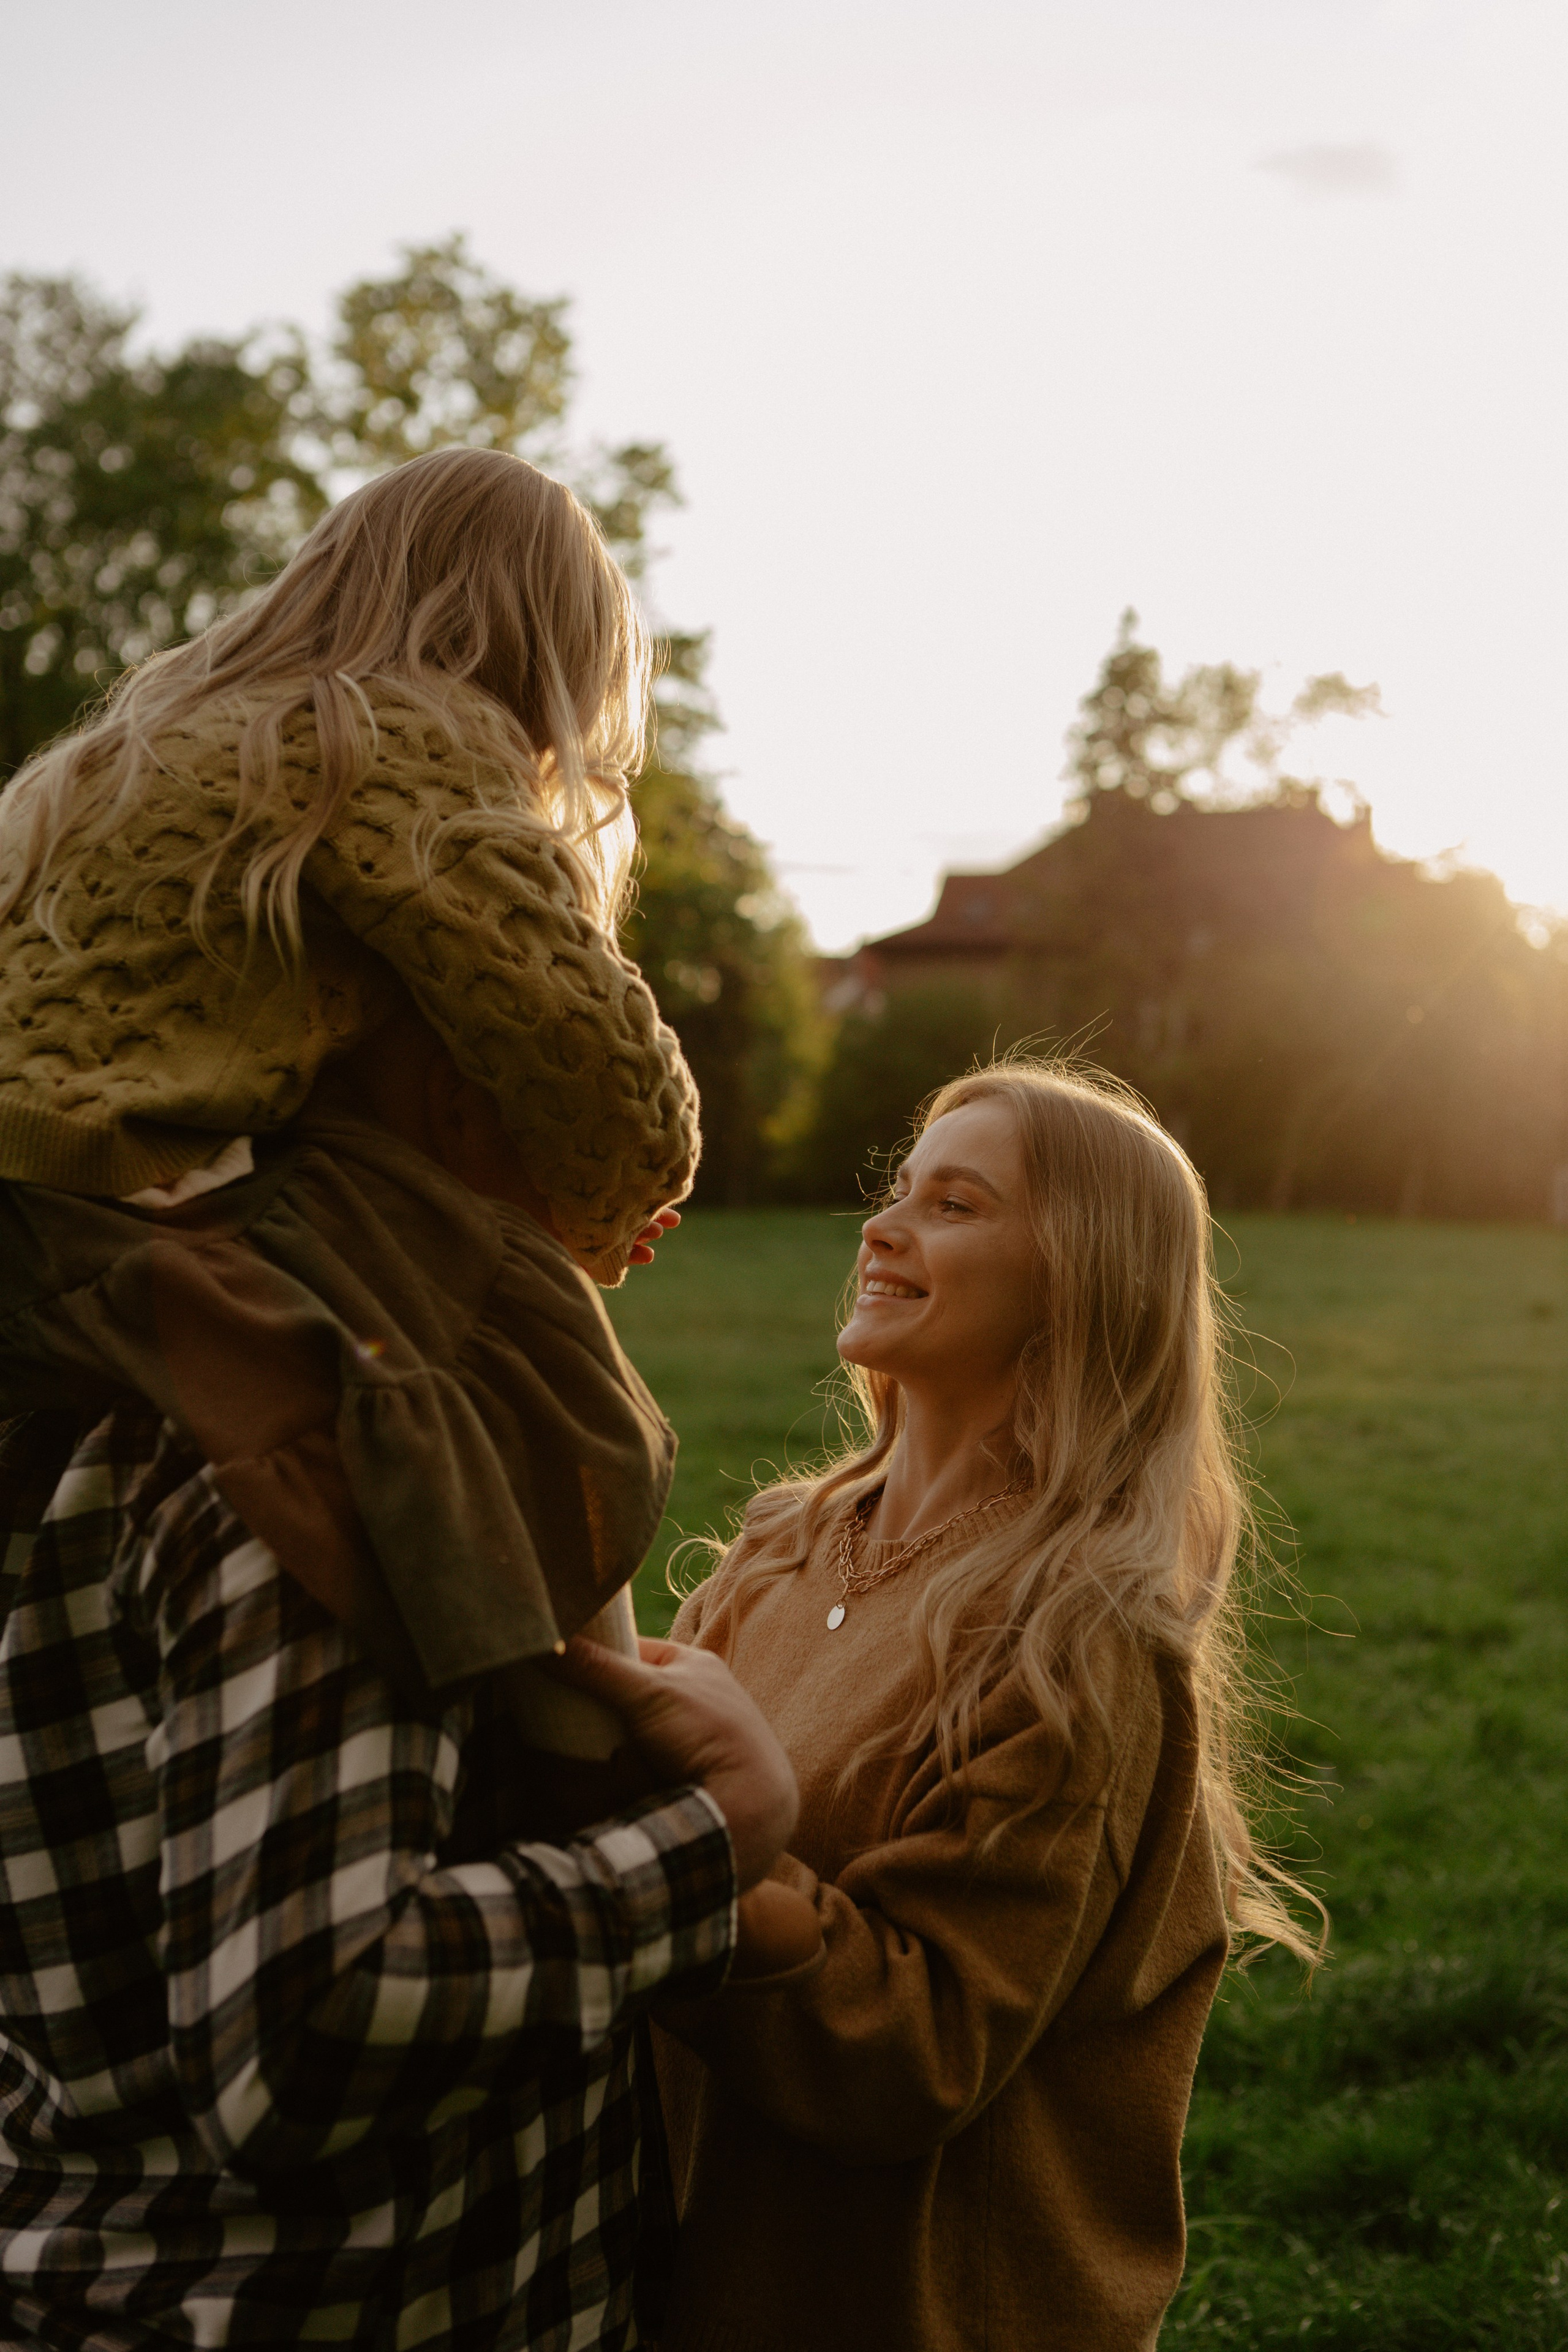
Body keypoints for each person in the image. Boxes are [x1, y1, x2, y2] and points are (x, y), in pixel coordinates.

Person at [0, 445, 809, 2349]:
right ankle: (588, 1718)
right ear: (544, 653)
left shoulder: (100, 763)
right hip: (350, 2299)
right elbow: (576, 1028)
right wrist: (623, 1186)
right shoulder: (391, 735)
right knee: (540, 1401)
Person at [640, 1059, 1324, 2352]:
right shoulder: (785, 1547)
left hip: (909, 2307)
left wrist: (708, 1846)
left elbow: (917, 2050)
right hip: (694, 2269)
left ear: (1078, 1278)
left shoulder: (1076, 1643)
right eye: (896, 1191)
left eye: (951, 1205)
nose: (880, 1228)